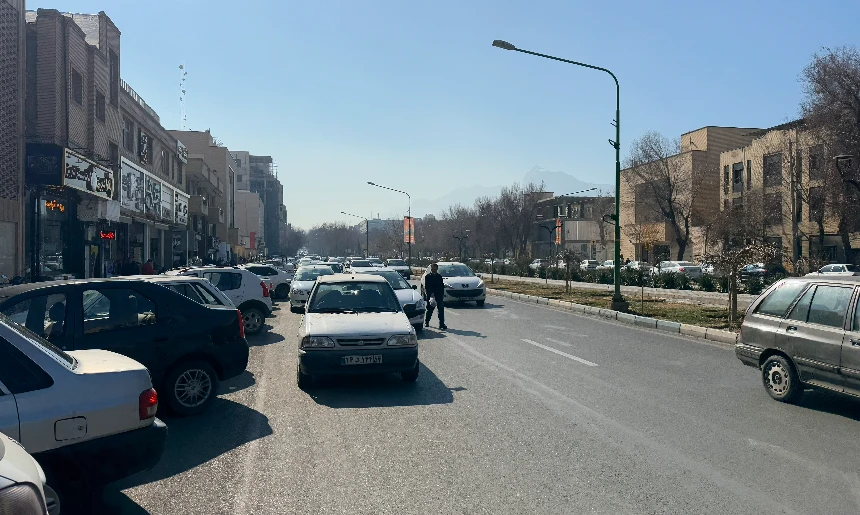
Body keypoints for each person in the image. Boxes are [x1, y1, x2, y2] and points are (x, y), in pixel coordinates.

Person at [423, 262, 447, 330]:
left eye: (435, 269)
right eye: (432, 268)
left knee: (441, 310)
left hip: (439, 295)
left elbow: (442, 286)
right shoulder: (427, 277)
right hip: (431, 296)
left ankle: (441, 324)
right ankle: (427, 322)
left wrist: (442, 294)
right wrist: (430, 295)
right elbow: (427, 287)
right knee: (430, 310)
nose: (434, 270)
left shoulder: (439, 277)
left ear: (437, 269)